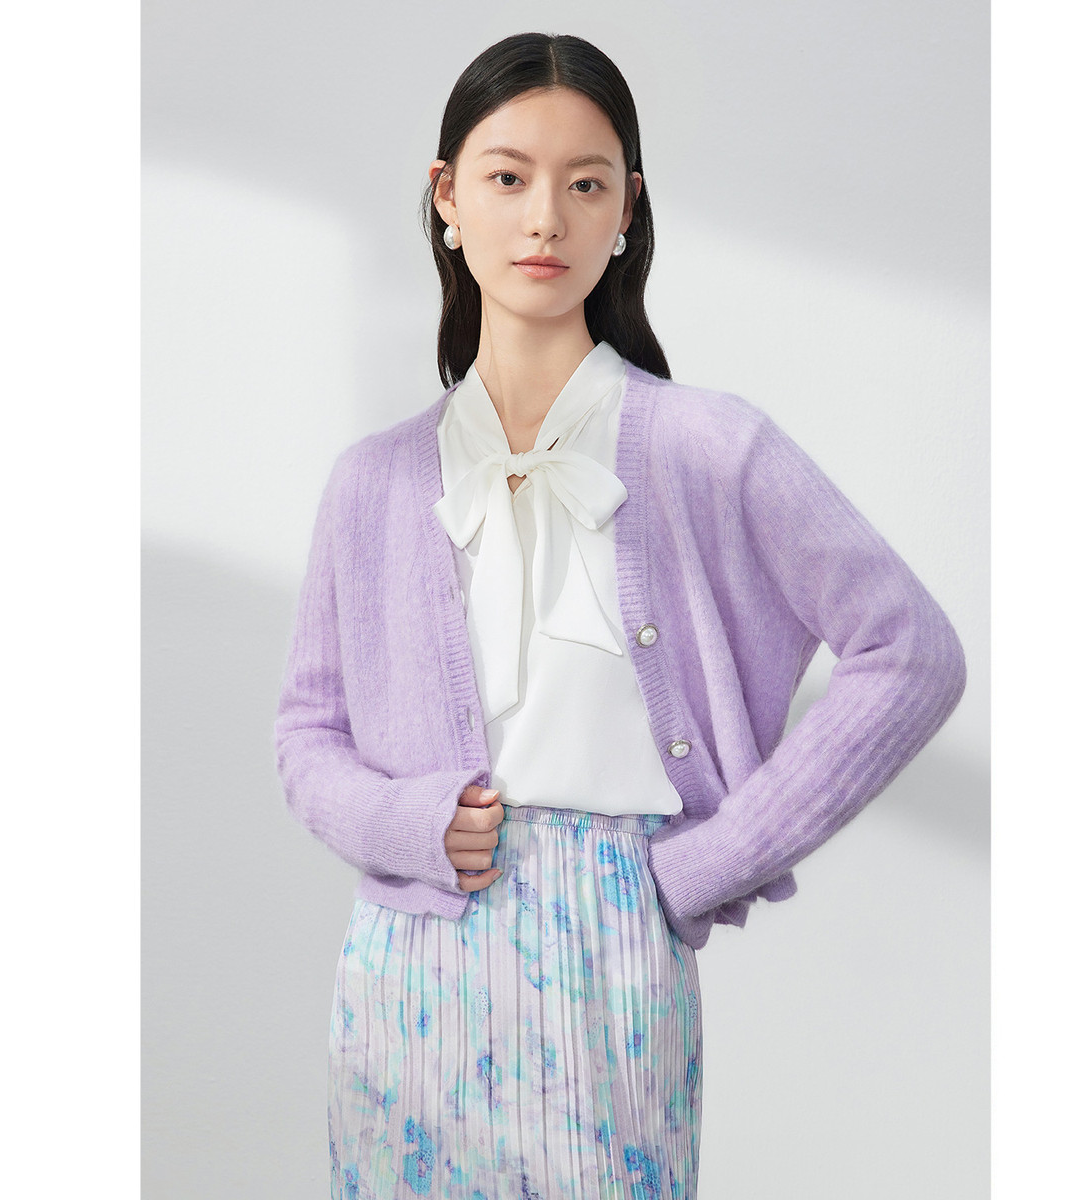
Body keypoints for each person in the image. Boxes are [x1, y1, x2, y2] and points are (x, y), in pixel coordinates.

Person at [274, 31, 967, 1200]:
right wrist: (407, 822)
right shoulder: (373, 481)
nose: (545, 218)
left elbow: (913, 652)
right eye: (508, 177)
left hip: (611, 954)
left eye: (586, 184)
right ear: (446, 198)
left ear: (627, 211)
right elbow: (306, 734)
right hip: (406, 971)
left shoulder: (710, 446)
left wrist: (714, 861)